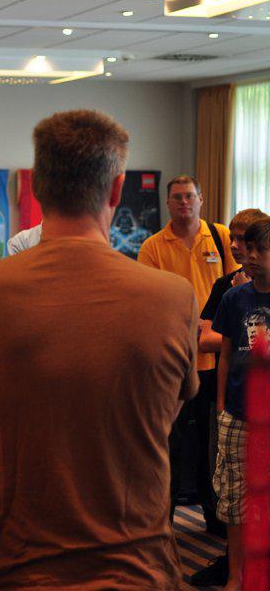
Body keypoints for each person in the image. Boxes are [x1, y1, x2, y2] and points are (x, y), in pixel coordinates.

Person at [0, 109, 198, 589]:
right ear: (117, 189)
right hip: (137, 568)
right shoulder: (173, 296)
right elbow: (166, 409)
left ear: (38, 188)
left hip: (19, 566)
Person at [138, 175, 238, 530]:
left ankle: (215, 519)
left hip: (217, 360)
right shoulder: (152, 246)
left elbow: (236, 288)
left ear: (201, 199)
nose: (184, 202)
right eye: (177, 197)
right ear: (168, 203)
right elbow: (148, 300)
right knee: (171, 443)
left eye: (190, 196)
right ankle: (162, 522)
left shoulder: (222, 237)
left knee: (214, 446)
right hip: (174, 362)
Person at [211, 218, 270, 591]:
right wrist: (220, 407)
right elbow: (226, 356)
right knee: (234, 500)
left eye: (260, 250)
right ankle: (235, 576)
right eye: (249, 249)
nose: (251, 256)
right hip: (237, 414)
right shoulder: (234, 298)